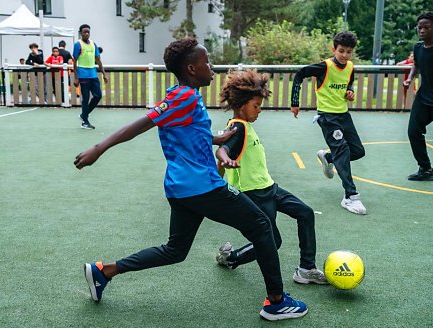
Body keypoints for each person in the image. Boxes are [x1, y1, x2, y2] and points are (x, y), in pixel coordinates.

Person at [74, 38, 308, 321]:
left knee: (175, 250)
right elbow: (143, 123)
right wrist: (99, 148)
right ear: (191, 68)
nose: (211, 67)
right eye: (206, 62)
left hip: (180, 188)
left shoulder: (186, 96)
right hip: (202, 186)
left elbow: (186, 131)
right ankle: (276, 302)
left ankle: (104, 270)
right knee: (261, 225)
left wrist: (216, 139)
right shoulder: (182, 96)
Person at [214, 69, 327, 285]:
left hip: (270, 188)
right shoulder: (237, 128)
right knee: (272, 241)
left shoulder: (244, 126)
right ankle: (232, 258)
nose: (260, 111)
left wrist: (220, 168)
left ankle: (306, 268)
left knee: (305, 214)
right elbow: (224, 151)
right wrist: (223, 157)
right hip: (253, 195)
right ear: (240, 105)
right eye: (256, 106)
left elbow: (221, 161)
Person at [290, 31, 366, 215]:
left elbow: (348, 85)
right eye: (341, 51)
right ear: (334, 49)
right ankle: (350, 196)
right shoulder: (324, 67)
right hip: (327, 117)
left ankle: (328, 158)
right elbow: (300, 75)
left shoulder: (350, 67)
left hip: (344, 115)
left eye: (349, 52)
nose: (345, 55)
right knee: (343, 150)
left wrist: (350, 92)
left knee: (357, 151)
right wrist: (295, 102)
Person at [404, 12, 433, 181]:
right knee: (413, 131)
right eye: (419, 27)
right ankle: (425, 168)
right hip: (423, 98)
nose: (422, 30)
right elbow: (416, 65)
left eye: (426, 27)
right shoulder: (418, 47)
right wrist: (409, 78)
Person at [73, 24, 108, 129]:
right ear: (81, 33)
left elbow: (98, 60)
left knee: (98, 95)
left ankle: (84, 114)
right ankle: (85, 121)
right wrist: (76, 77)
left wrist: (104, 74)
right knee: (86, 98)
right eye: (84, 32)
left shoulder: (93, 44)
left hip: (93, 74)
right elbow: (74, 61)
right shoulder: (78, 44)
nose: (87, 34)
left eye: (88, 32)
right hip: (83, 74)